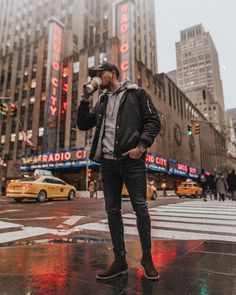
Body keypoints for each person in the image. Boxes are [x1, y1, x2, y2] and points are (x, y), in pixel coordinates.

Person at [77, 63, 161, 280]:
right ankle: (119, 260)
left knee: (140, 208)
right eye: (94, 75)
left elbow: (153, 121)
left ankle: (147, 258)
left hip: (132, 161)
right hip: (108, 163)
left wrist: (141, 147)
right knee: (112, 212)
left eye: (99, 74)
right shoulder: (102, 101)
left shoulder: (137, 93)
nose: (96, 78)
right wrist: (85, 98)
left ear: (112, 74)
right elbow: (84, 124)